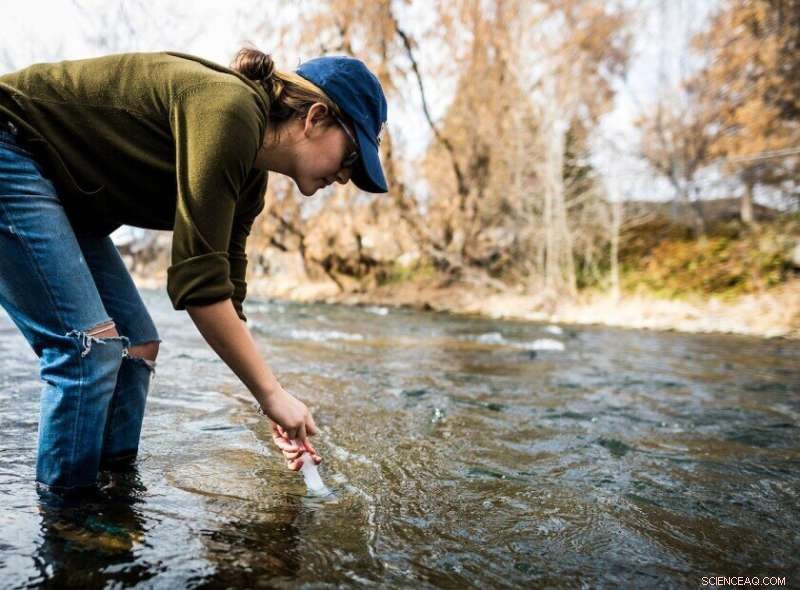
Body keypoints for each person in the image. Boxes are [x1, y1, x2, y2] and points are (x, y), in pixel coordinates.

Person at [0, 47, 389, 494]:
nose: (345, 178)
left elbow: (226, 297)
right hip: (12, 149)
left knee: (137, 348)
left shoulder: (250, 180)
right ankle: (69, 518)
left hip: (62, 196)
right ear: (315, 117)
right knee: (89, 350)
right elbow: (196, 285)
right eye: (352, 157)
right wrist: (271, 395)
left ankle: (112, 494)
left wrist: (272, 403)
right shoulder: (230, 110)